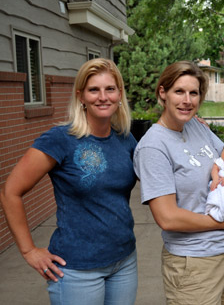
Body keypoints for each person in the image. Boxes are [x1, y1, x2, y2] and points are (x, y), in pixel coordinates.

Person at [0, 58, 138, 304]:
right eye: (93, 89)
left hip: (124, 260)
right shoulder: (60, 139)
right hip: (77, 269)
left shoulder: (125, 139)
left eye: (110, 89)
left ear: (119, 94)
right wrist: (29, 250)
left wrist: (188, 127)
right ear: (81, 96)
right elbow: (10, 191)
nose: (103, 97)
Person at [133, 60, 224, 305]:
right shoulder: (153, 147)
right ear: (162, 93)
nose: (187, 100)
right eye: (179, 91)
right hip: (195, 263)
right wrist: (220, 225)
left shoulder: (198, 128)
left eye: (194, 93)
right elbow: (167, 218)